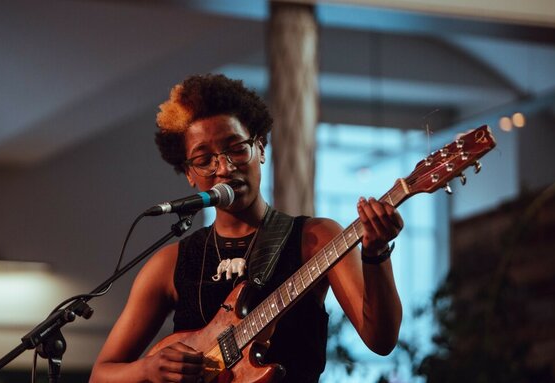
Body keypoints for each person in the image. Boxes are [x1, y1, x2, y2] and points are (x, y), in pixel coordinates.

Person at [90, 74, 403, 383]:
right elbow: (101, 374)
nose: (224, 168)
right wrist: (147, 369)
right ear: (189, 174)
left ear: (261, 148)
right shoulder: (170, 263)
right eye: (205, 159)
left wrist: (375, 254)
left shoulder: (315, 238)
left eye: (236, 149)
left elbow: (381, 340)